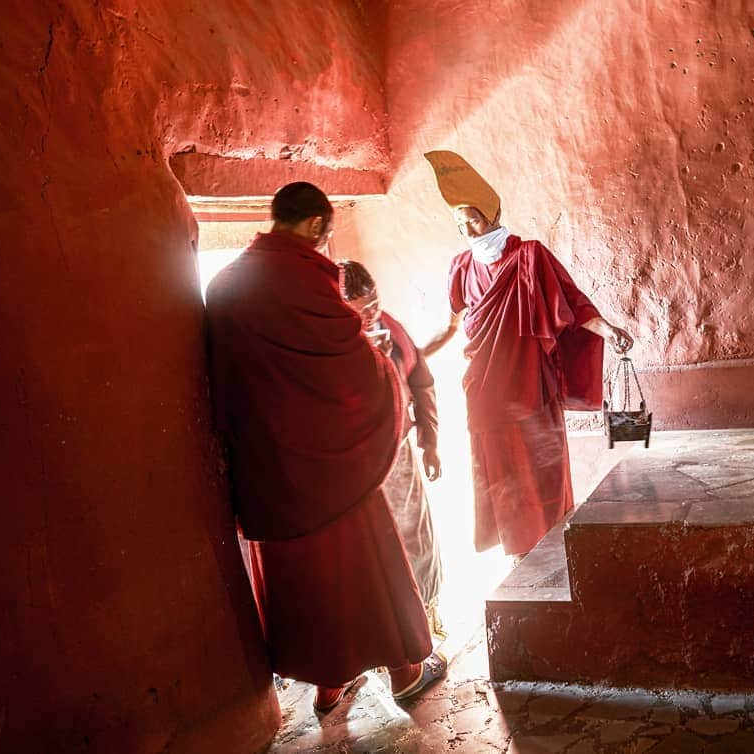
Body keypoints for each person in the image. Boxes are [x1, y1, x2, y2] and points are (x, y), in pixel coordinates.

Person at [205, 182, 446, 713]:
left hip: (268, 469)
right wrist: (383, 366)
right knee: (365, 567)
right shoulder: (302, 278)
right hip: (327, 464)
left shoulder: (223, 284)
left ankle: (328, 684)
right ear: (317, 225)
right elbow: (352, 369)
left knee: (301, 581)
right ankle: (405, 673)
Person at [424, 151, 635, 559]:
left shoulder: (529, 256)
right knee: (500, 475)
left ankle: (554, 545)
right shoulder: (461, 266)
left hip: (531, 387)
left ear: (492, 212)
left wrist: (609, 330)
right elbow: (451, 326)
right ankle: (519, 553)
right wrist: (414, 356)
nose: (467, 228)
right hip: (484, 390)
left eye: (473, 217)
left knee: (543, 469)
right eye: (459, 222)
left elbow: (572, 306)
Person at [338, 260, 446, 640]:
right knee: (375, 550)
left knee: (416, 536)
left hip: (400, 456)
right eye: (360, 310)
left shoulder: (393, 329)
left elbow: (422, 383)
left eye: (374, 304)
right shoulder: (332, 347)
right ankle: (389, 638)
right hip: (359, 468)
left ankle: (427, 621)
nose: (371, 315)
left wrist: (429, 442)